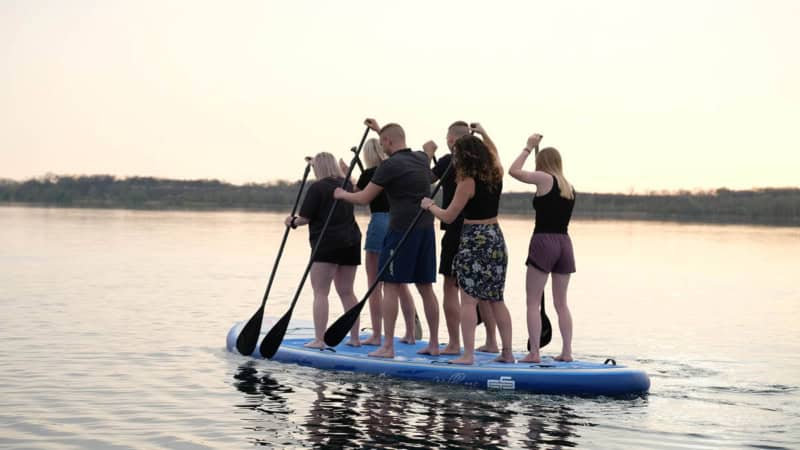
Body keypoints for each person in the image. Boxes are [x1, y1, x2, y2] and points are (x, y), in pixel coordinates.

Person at [334, 118, 440, 358]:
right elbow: (419, 147)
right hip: (425, 229)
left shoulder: (389, 166)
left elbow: (363, 198)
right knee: (426, 288)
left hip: (401, 231)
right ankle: (434, 344)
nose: (381, 148)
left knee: (390, 286)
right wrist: (380, 129)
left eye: (382, 143)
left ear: (387, 142)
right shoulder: (421, 159)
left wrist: (342, 194)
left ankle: (388, 347)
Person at [421, 123, 514, 365]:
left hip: (474, 238)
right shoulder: (497, 173)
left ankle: (468, 354)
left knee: (469, 299)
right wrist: (484, 133)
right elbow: (494, 152)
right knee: (496, 298)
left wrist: (430, 207)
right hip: (495, 236)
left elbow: (450, 216)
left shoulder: (467, 182)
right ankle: (507, 353)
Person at [508, 134, 576, 363]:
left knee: (532, 302)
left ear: (543, 162)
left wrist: (528, 147)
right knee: (561, 303)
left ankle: (534, 352)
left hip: (544, 241)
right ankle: (567, 352)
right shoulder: (569, 186)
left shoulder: (544, 178)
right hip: (565, 244)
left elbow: (514, 171)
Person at [285, 152, 362, 349]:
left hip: (326, 243)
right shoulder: (347, 185)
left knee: (321, 292)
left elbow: (305, 218)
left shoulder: (317, 187)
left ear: (318, 169)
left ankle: (319, 339)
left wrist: (291, 222)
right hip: (351, 240)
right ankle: (355, 338)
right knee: (347, 291)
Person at [353, 139, 419, 346]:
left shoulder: (369, 173)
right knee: (399, 283)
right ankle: (410, 332)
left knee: (375, 284)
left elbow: (359, 197)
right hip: (400, 224)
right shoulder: (396, 169)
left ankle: (376, 334)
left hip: (380, 223)